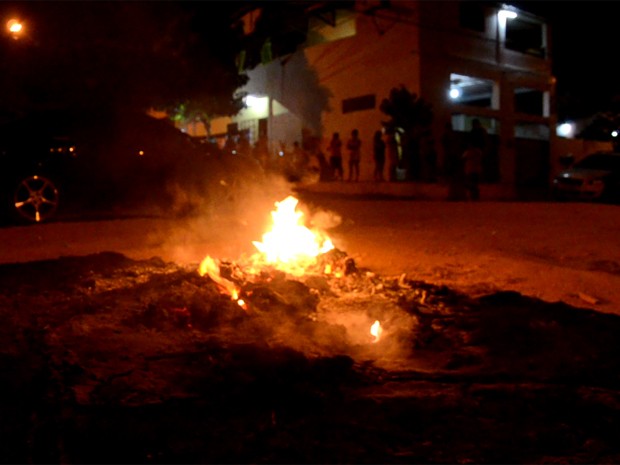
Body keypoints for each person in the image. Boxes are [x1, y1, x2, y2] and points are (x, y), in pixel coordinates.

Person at [441, 121, 465, 200]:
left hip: (451, 157)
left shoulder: (447, 136)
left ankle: (453, 195)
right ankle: (456, 195)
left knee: (452, 177)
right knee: (455, 177)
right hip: (455, 157)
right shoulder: (455, 135)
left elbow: (445, 145)